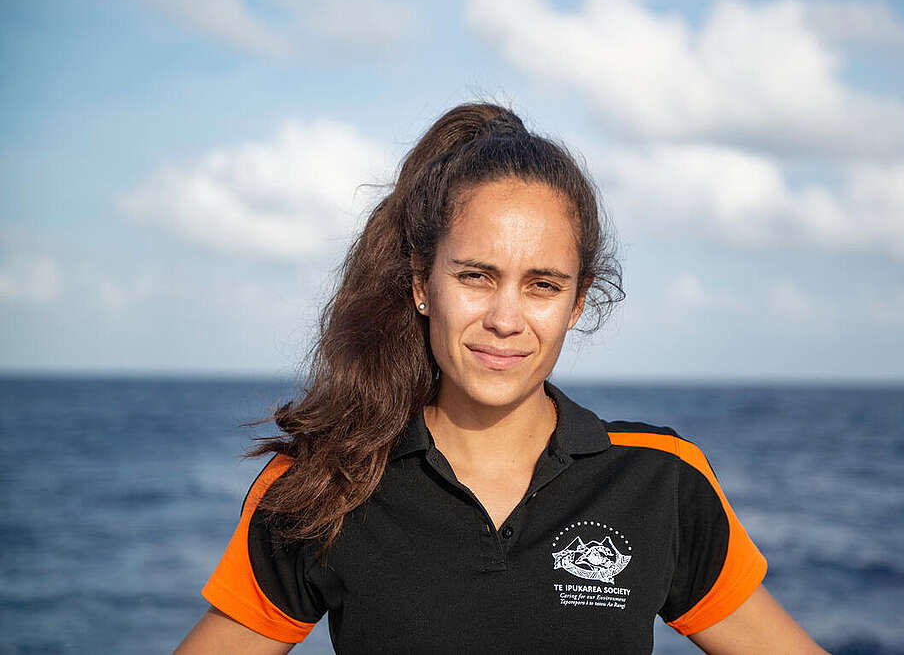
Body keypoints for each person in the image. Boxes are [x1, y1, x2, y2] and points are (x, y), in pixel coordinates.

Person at [174, 102, 827, 654]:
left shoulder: (661, 481)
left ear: (577, 302)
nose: (505, 319)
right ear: (421, 283)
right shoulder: (326, 483)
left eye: (542, 285)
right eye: (475, 277)